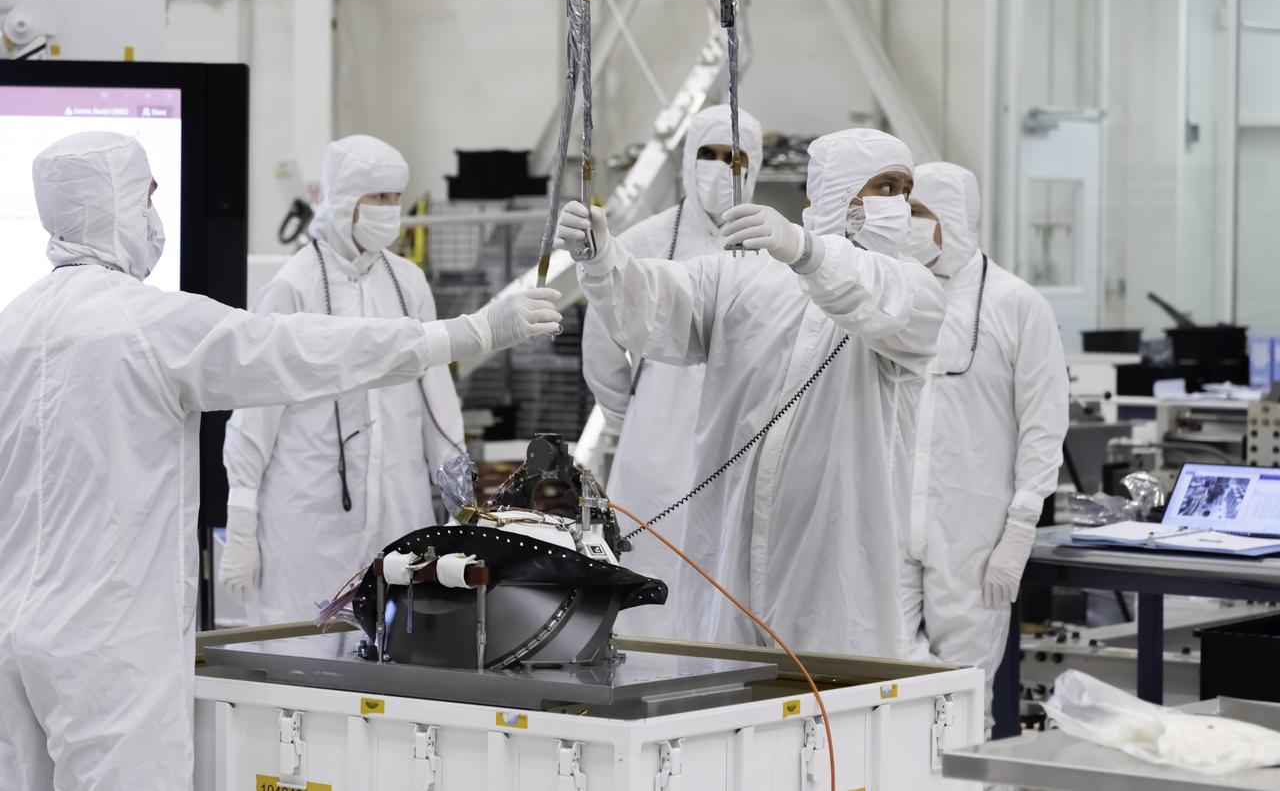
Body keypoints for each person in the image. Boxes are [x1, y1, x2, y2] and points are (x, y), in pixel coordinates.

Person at [0, 131, 561, 789]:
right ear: (116, 207)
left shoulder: (15, 324)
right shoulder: (146, 324)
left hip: (18, 630)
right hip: (110, 640)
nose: (156, 216)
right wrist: (472, 332)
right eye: (148, 197)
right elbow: (294, 352)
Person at [557, 128, 945, 658]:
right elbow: (655, 308)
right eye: (882, 187)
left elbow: (876, 297)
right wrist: (603, 261)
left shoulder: (910, 287)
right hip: (728, 543)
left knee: (827, 706)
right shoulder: (742, 273)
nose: (897, 204)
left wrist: (805, 250)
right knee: (719, 697)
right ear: (834, 192)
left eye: (905, 189)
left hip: (833, 561)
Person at [219, 135, 467, 632]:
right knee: (305, 656)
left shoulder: (407, 282)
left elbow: (438, 403)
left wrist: (461, 500)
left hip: (399, 514)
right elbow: (255, 408)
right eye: (377, 198)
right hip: (310, 517)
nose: (390, 211)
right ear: (345, 201)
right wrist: (241, 517)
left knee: (397, 661)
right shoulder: (295, 284)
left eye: (396, 198)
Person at [583, 105, 763, 637]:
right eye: (707, 154)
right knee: (649, 597)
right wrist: (634, 422)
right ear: (687, 158)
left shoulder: (770, 248)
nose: (718, 168)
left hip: (740, 441)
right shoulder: (644, 241)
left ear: (751, 166)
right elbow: (601, 347)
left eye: (733, 157)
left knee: (730, 593)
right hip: (654, 454)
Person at [897, 161, 1068, 722]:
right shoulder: (891, 295)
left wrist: (1020, 531)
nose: (907, 224)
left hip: (972, 536)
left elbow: (1044, 424)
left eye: (918, 212)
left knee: (964, 697)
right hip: (891, 525)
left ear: (953, 218)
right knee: (884, 680)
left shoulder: (1017, 305)